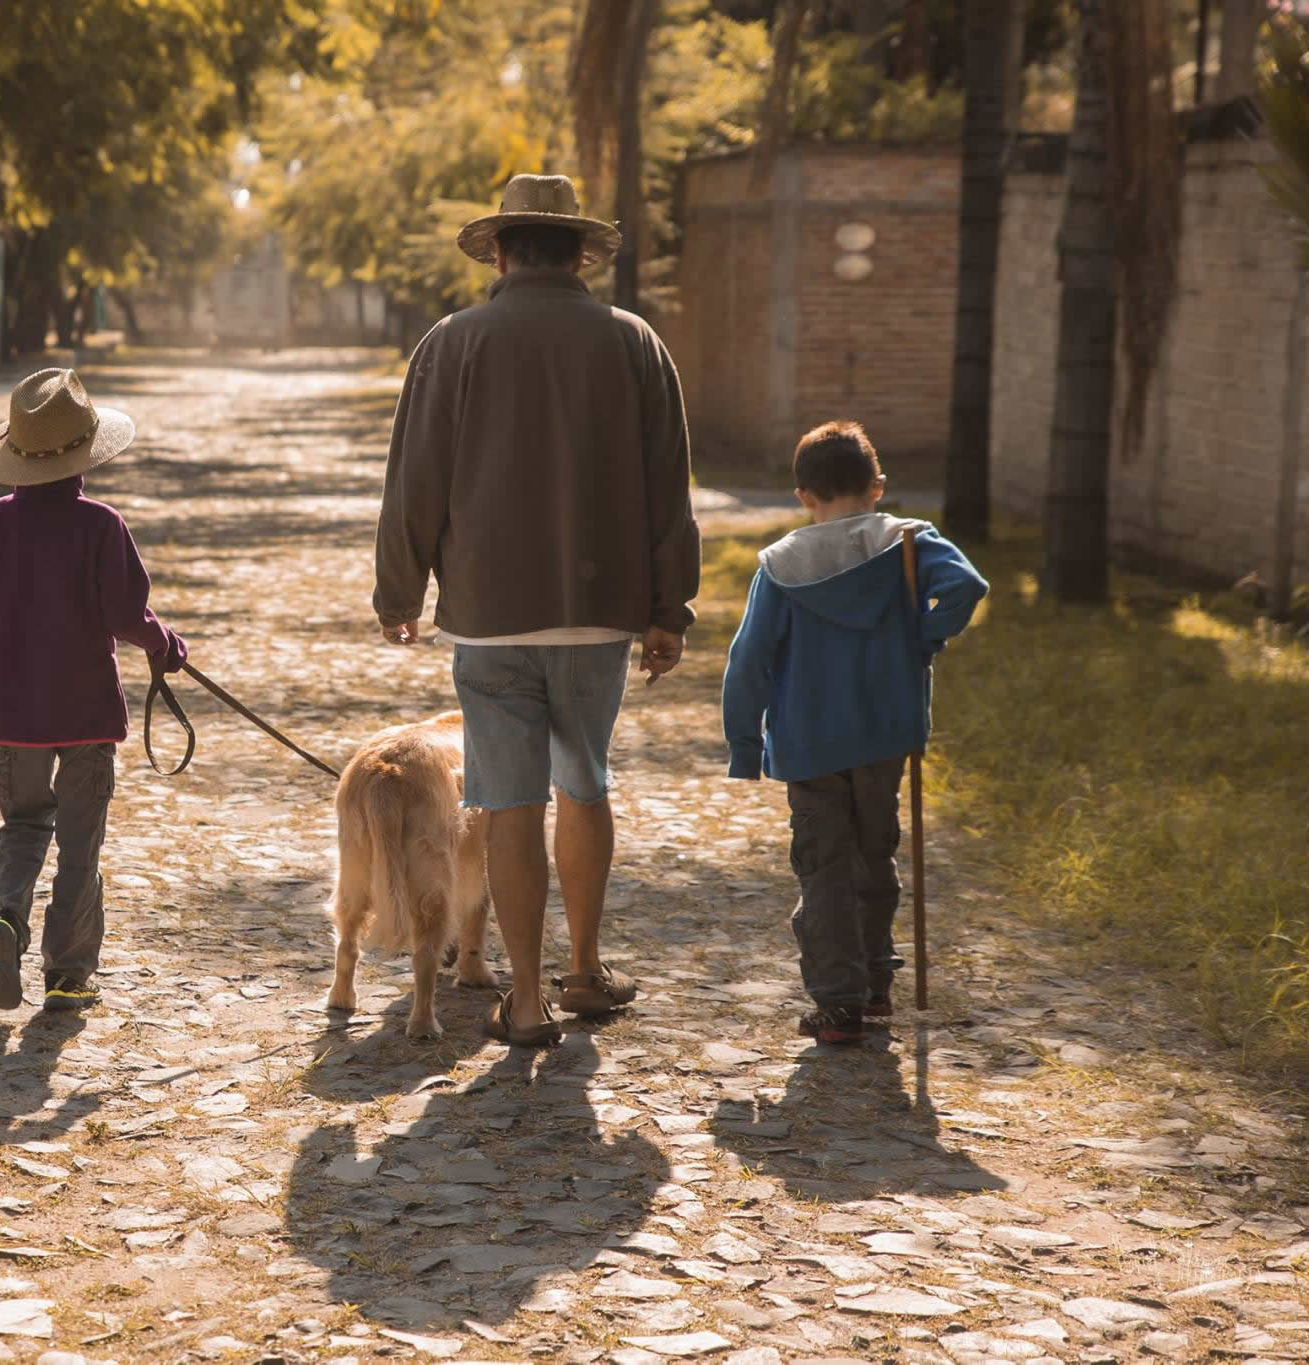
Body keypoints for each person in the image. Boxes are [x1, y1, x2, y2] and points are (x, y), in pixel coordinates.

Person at [374, 173, 701, 1048]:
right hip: (599, 613)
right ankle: (587, 970)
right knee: (584, 782)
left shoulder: (452, 343)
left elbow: (418, 477)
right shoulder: (635, 343)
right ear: (579, 254)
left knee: (509, 803)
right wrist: (670, 605)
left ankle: (523, 997)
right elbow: (669, 484)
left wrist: (400, 591)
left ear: (505, 251)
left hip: (487, 614)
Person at [721, 420, 988, 1043]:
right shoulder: (911, 544)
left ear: (803, 496)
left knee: (823, 868)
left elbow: (750, 657)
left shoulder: (783, 567)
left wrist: (743, 743)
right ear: (878, 486)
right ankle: (874, 983)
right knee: (874, 853)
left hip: (810, 740)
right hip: (886, 731)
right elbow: (967, 586)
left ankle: (837, 1002)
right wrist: (921, 637)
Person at [0, 368, 185, 1014]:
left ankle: (7, 918)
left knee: (23, 826)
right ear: (85, 452)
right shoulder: (101, 526)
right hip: (85, 716)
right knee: (80, 845)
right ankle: (68, 974)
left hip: (12, 716)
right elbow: (127, 616)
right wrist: (166, 647)